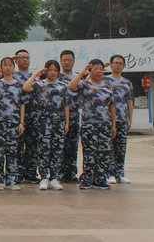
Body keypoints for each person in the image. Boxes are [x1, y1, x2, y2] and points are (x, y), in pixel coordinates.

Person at [68, 59, 117, 190]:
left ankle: (100, 179)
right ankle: (87, 179)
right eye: (95, 69)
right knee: (90, 152)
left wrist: (113, 125)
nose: (99, 71)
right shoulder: (85, 85)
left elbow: (112, 106)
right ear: (90, 70)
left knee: (103, 152)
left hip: (104, 124)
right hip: (89, 124)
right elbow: (71, 86)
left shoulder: (108, 87)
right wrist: (82, 73)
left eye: (101, 69)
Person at [22, 60, 69, 191]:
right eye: (50, 70)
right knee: (43, 148)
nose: (52, 73)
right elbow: (25, 88)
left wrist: (67, 122)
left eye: (55, 70)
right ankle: (44, 177)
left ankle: (54, 177)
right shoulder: (39, 84)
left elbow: (66, 105)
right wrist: (36, 74)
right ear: (45, 71)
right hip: (43, 118)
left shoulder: (62, 86)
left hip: (58, 119)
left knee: (57, 148)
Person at [0, 57, 25, 191]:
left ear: (14, 67)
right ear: (1, 67)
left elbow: (22, 105)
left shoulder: (19, 85)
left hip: (14, 121)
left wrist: (21, 122)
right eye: (4, 65)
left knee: (13, 151)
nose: (7, 68)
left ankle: (12, 180)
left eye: (10, 65)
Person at [105, 54, 133, 184]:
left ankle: (120, 173)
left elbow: (130, 102)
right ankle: (109, 173)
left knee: (121, 148)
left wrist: (130, 119)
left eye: (120, 63)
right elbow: (89, 80)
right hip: (109, 119)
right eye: (115, 63)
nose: (118, 65)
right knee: (109, 147)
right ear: (111, 64)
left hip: (122, 119)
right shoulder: (105, 80)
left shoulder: (127, 83)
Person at [13, 49, 39, 183]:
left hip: (33, 114)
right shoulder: (12, 75)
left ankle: (31, 173)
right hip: (17, 114)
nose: (25, 60)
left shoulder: (36, 76)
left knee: (33, 145)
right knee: (17, 145)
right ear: (16, 60)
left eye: (27, 57)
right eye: (21, 57)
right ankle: (17, 172)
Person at [57, 49, 80, 182]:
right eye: (64, 60)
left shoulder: (77, 78)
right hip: (58, 118)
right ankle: (58, 173)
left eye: (69, 60)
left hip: (74, 118)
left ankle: (71, 173)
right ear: (60, 61)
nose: (67, 63)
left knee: (72, 147)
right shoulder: (56, 76)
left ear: (73, 62)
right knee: (59, 147)